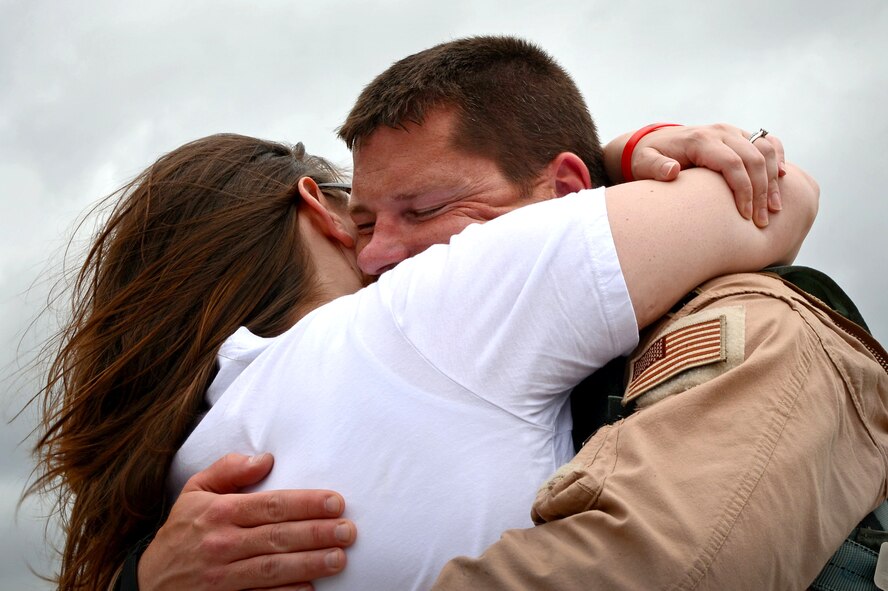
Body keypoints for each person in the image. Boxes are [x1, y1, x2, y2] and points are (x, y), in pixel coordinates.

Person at [132, 37, 887, 591]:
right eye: (362, 223)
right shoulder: (382, 362)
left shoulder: (753, 317)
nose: (375, 257)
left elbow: (667, 561)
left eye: (422, 210)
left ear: (564, 196)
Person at [31, 126, 815, 591]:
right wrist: (623, 156)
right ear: (319, 209)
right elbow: (777, 200)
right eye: (364, 211)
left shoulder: (188, 479)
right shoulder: (425, 316)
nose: (387, 249)